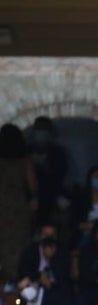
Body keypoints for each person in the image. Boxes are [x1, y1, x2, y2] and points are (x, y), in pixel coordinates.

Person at [0, 123, 37, 288]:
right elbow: (33, 186)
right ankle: (19, 279)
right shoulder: (25, 162)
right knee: (20, 246)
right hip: (20, 209)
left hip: (2, 208)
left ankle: (6, 280)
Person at [27, 115, 70, 230]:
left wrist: (58, 195)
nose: (41, 135)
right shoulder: (27, 151)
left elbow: (60, 176)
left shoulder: (57, 153)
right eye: (39, 131)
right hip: (32, 197)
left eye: (44, 132)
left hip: (52, 196)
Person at [18, 223, 71, 301]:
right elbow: (23, 273)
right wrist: (38, 276)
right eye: (46, 235)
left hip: (54, 292)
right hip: (34, 287)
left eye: (51, 236)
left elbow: (64, 281)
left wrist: (50, 284)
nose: (48, 240)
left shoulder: (62, 253)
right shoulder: (30, 252)